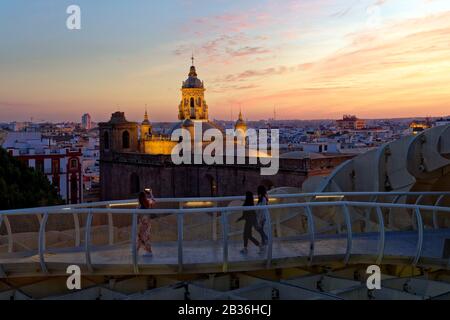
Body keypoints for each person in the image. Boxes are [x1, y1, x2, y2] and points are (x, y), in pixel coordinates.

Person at [137, 191, 153, 257]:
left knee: (143, 238)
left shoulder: (140, 206)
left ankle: (149, 252)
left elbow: (138, 215)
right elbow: (153, 200)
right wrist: (151, 193)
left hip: (143, 224)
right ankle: (137, 250)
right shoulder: (147, 203)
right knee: (142, 237)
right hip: (148, 223)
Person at [256, 185, 269, 249]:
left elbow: (262, 209)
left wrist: (260, 219)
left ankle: (265, 238)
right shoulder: (261, 198)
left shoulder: (263, 199)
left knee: (259, 229)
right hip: (261, 217)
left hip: (262, 217)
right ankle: (264, 241)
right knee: (260, 229)